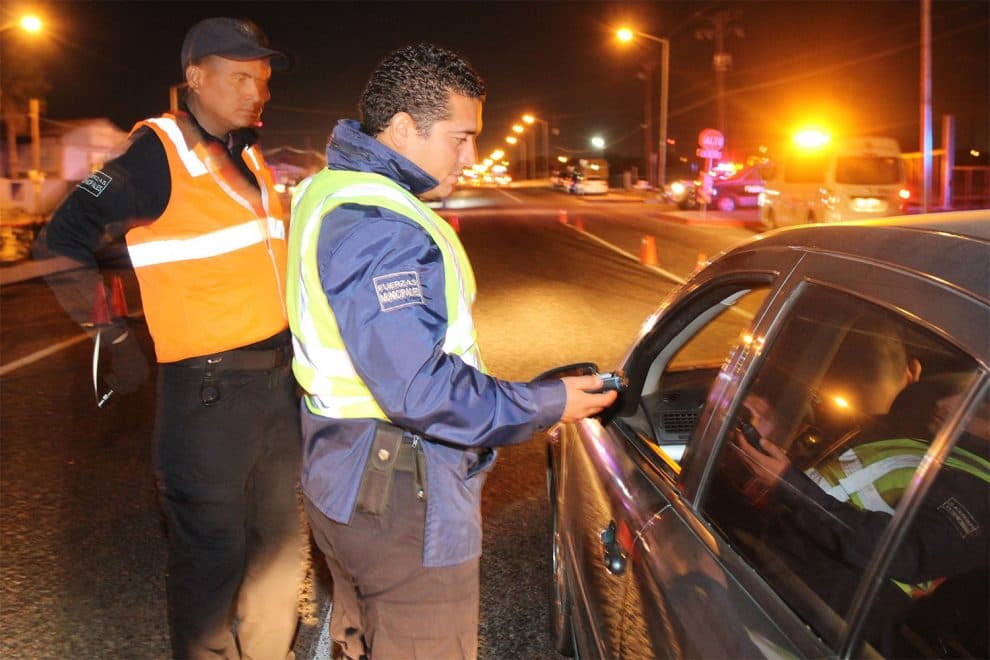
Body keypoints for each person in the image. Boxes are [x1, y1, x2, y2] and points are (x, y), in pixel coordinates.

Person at [286, 43, 616, 658]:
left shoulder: (329, 189)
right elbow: (420, 388)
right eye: (460, 138)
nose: (471, 157)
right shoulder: (381, 226)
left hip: (341, 472)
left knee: (361, 637)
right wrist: (548, 402)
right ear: (403, 129)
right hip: (398, 493)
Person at [37, 17, 304, 659]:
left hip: (275, 388)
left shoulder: (247, 157)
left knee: (278, 552)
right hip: (208, 397)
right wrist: (111, 332)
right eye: (240, 77)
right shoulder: (155, 154)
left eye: (263, 79)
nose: (256, 92)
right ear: (195, 77)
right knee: (212, 565)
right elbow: (61, 239)